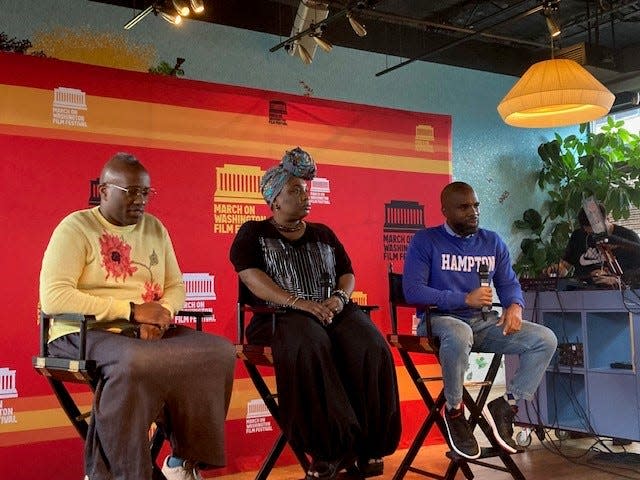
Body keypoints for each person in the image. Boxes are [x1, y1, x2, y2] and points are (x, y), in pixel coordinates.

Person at [39, 152, 236, 480]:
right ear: (104, 191)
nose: (140, 200)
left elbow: (175, 285)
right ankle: (119, 472)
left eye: (145, 192)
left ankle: (182, 463)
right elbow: (54, 297)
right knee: (136, 361)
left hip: (144, 331)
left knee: (219, 351)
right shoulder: (75, 227)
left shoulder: (155, 228)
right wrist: (131, 312)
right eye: (130, 191)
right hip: (82, 332)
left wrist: (161, 317)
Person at [229, 147, 401, 480]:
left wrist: (339, 299)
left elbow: (347, 273)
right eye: (295, 190)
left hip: (331, 310)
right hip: (279, 318)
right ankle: (328, 449)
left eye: (305, 189)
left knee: (370, 344)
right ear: (275, 199)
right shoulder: (253, 233)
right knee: (309, 343)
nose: (305, 195)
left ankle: (369, 446)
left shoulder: (323, 233)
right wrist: (298, 303)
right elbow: (251, 277)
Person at [402, 181, 557, 460]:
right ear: (445, 211)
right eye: (463, 207)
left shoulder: (492, 241)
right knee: (459, 331)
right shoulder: (426, 241)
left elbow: (508, 283)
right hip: (437, 321)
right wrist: (463, 299)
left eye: (475, 205)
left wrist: (515, 306)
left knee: (544, 339)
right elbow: (413, 291)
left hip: (483, 323)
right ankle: (454, 411)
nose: (473, 212)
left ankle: (506, 405)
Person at [544, 203, 640, 287]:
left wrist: (616, 280)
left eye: (597, 231)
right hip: (582, 292)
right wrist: (558, 269)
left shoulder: (628, 237)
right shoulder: (578, 236)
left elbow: (637, 275)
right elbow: (565, 266)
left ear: (607, 219)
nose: (594, 236)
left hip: (618, 296)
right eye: (590, 233)